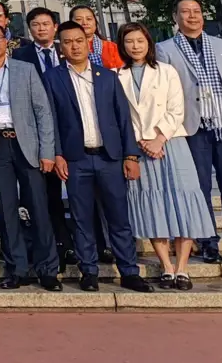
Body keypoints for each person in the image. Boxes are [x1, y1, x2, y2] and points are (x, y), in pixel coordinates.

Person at [42, 22, 153, 293]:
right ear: (61, 47)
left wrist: (130, 156)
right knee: (82, 218)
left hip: (109, 158)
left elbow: (123, 119)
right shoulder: (52, 78)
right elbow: (51, 119)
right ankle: (88, 271)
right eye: (67, 42)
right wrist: (57, 154)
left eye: (79, 40)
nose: (74, 46)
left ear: (88, 43)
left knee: (118, 217)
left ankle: (129, 271)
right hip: (76, 158)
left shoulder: (107, 77)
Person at [156, 0, 222, 266]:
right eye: (185, 12)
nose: (192, 16)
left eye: (197, 11)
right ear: (175, 17)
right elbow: (165, 93)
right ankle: (207, 243)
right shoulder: (165, 49)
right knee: (199, 189)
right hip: (193, 129)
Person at [0, 21, 61, 291]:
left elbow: (43, 112)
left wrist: (47, 151)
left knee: (39, 208)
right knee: (7, 211)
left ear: (7, 40)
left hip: (26, 144)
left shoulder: (25, 70)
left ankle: (47, 269)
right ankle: (16, 269)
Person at [116, 22, 215, 289]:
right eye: (129, 42)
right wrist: (141, 142)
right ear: (122, 46)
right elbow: (121, 116)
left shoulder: (166, 71)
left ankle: (183, 267)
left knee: (182, 201)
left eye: (140, 40)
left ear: (148, 42)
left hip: (171, 143)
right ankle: (167, 267)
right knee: (152, 204)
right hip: (139, 147)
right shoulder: (118, 75)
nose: (135, 46)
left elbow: (177, 108)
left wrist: (159, 138)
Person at [12, 5, 72, 265]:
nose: (41, 29)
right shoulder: (20, 56)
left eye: (46, 24)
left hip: (72, 126)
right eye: (35, 25)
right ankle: (54, 245)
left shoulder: (68, 49)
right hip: (39, 133)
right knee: (47, 195)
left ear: (55, 27)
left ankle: (80, 245)